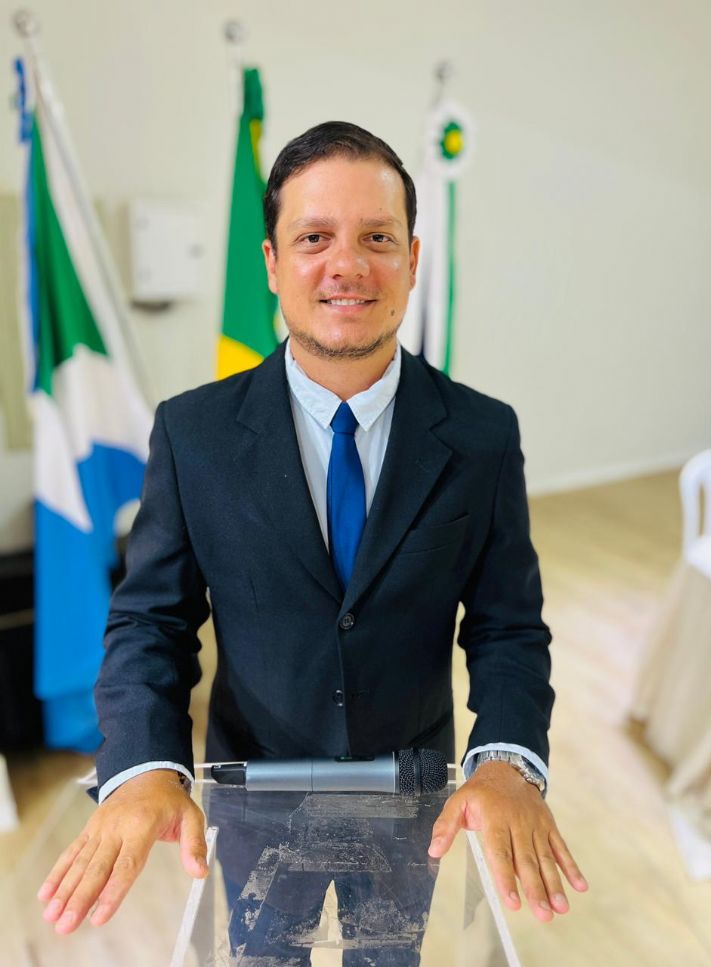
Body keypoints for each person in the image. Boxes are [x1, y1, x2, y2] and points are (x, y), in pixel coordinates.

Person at [38, 121, 588, 938]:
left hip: (412, 790)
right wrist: (145, 763)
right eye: (313, 237)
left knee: (387, 955)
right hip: (252, 789)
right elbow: (151, 619)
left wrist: (506, 758)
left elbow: (506, 625)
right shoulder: (193, 433)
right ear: (271, 262)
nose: (347, 264)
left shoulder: (481, 434)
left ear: (411, 258)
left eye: (377, 237)